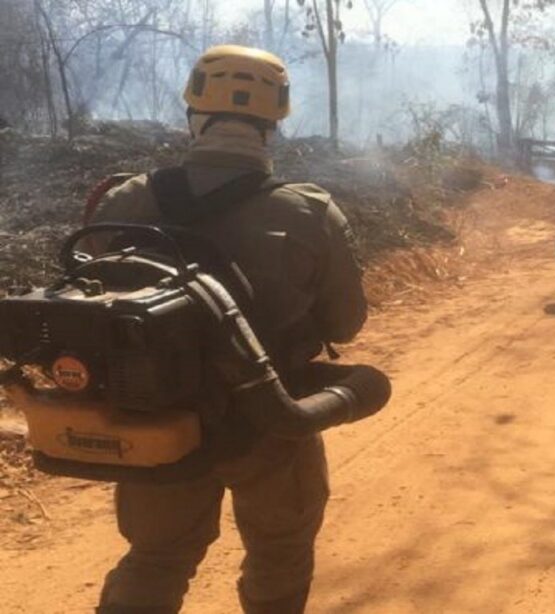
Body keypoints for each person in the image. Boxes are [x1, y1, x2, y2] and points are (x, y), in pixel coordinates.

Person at [89, 45, 368, 614]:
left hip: (159, 420)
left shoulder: (128, 199)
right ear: (274, 125)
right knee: (280, 552)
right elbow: (346, 322)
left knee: (157, 559)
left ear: (194, 114)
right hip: (272, 418)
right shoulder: (308, 211)